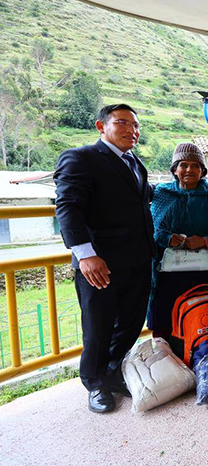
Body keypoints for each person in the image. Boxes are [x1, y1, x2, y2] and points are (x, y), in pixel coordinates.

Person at [54, 103, 155, 413]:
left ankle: (113, 372)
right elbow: (68, 207)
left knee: (131, 322)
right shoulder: (81, 158)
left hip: (138, 260)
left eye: (135, 126)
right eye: (122, 123)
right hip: (101, 264)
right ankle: (95, 383)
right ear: (101, 126)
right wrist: (85, 255)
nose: (131, 130)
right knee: (98, 327)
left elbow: (138, 200)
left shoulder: (134, 162)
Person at [147, 143, 208, 343]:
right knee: (165, 320)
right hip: (170, 270)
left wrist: (204, 241)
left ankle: (206, 351)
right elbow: (154, 229)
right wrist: (168, 238)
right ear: (175, 170)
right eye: (184, 165)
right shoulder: (163, 193)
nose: (189, 170)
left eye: (195, 166)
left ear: (202, 171)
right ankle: (168, 355)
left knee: (207, 314)